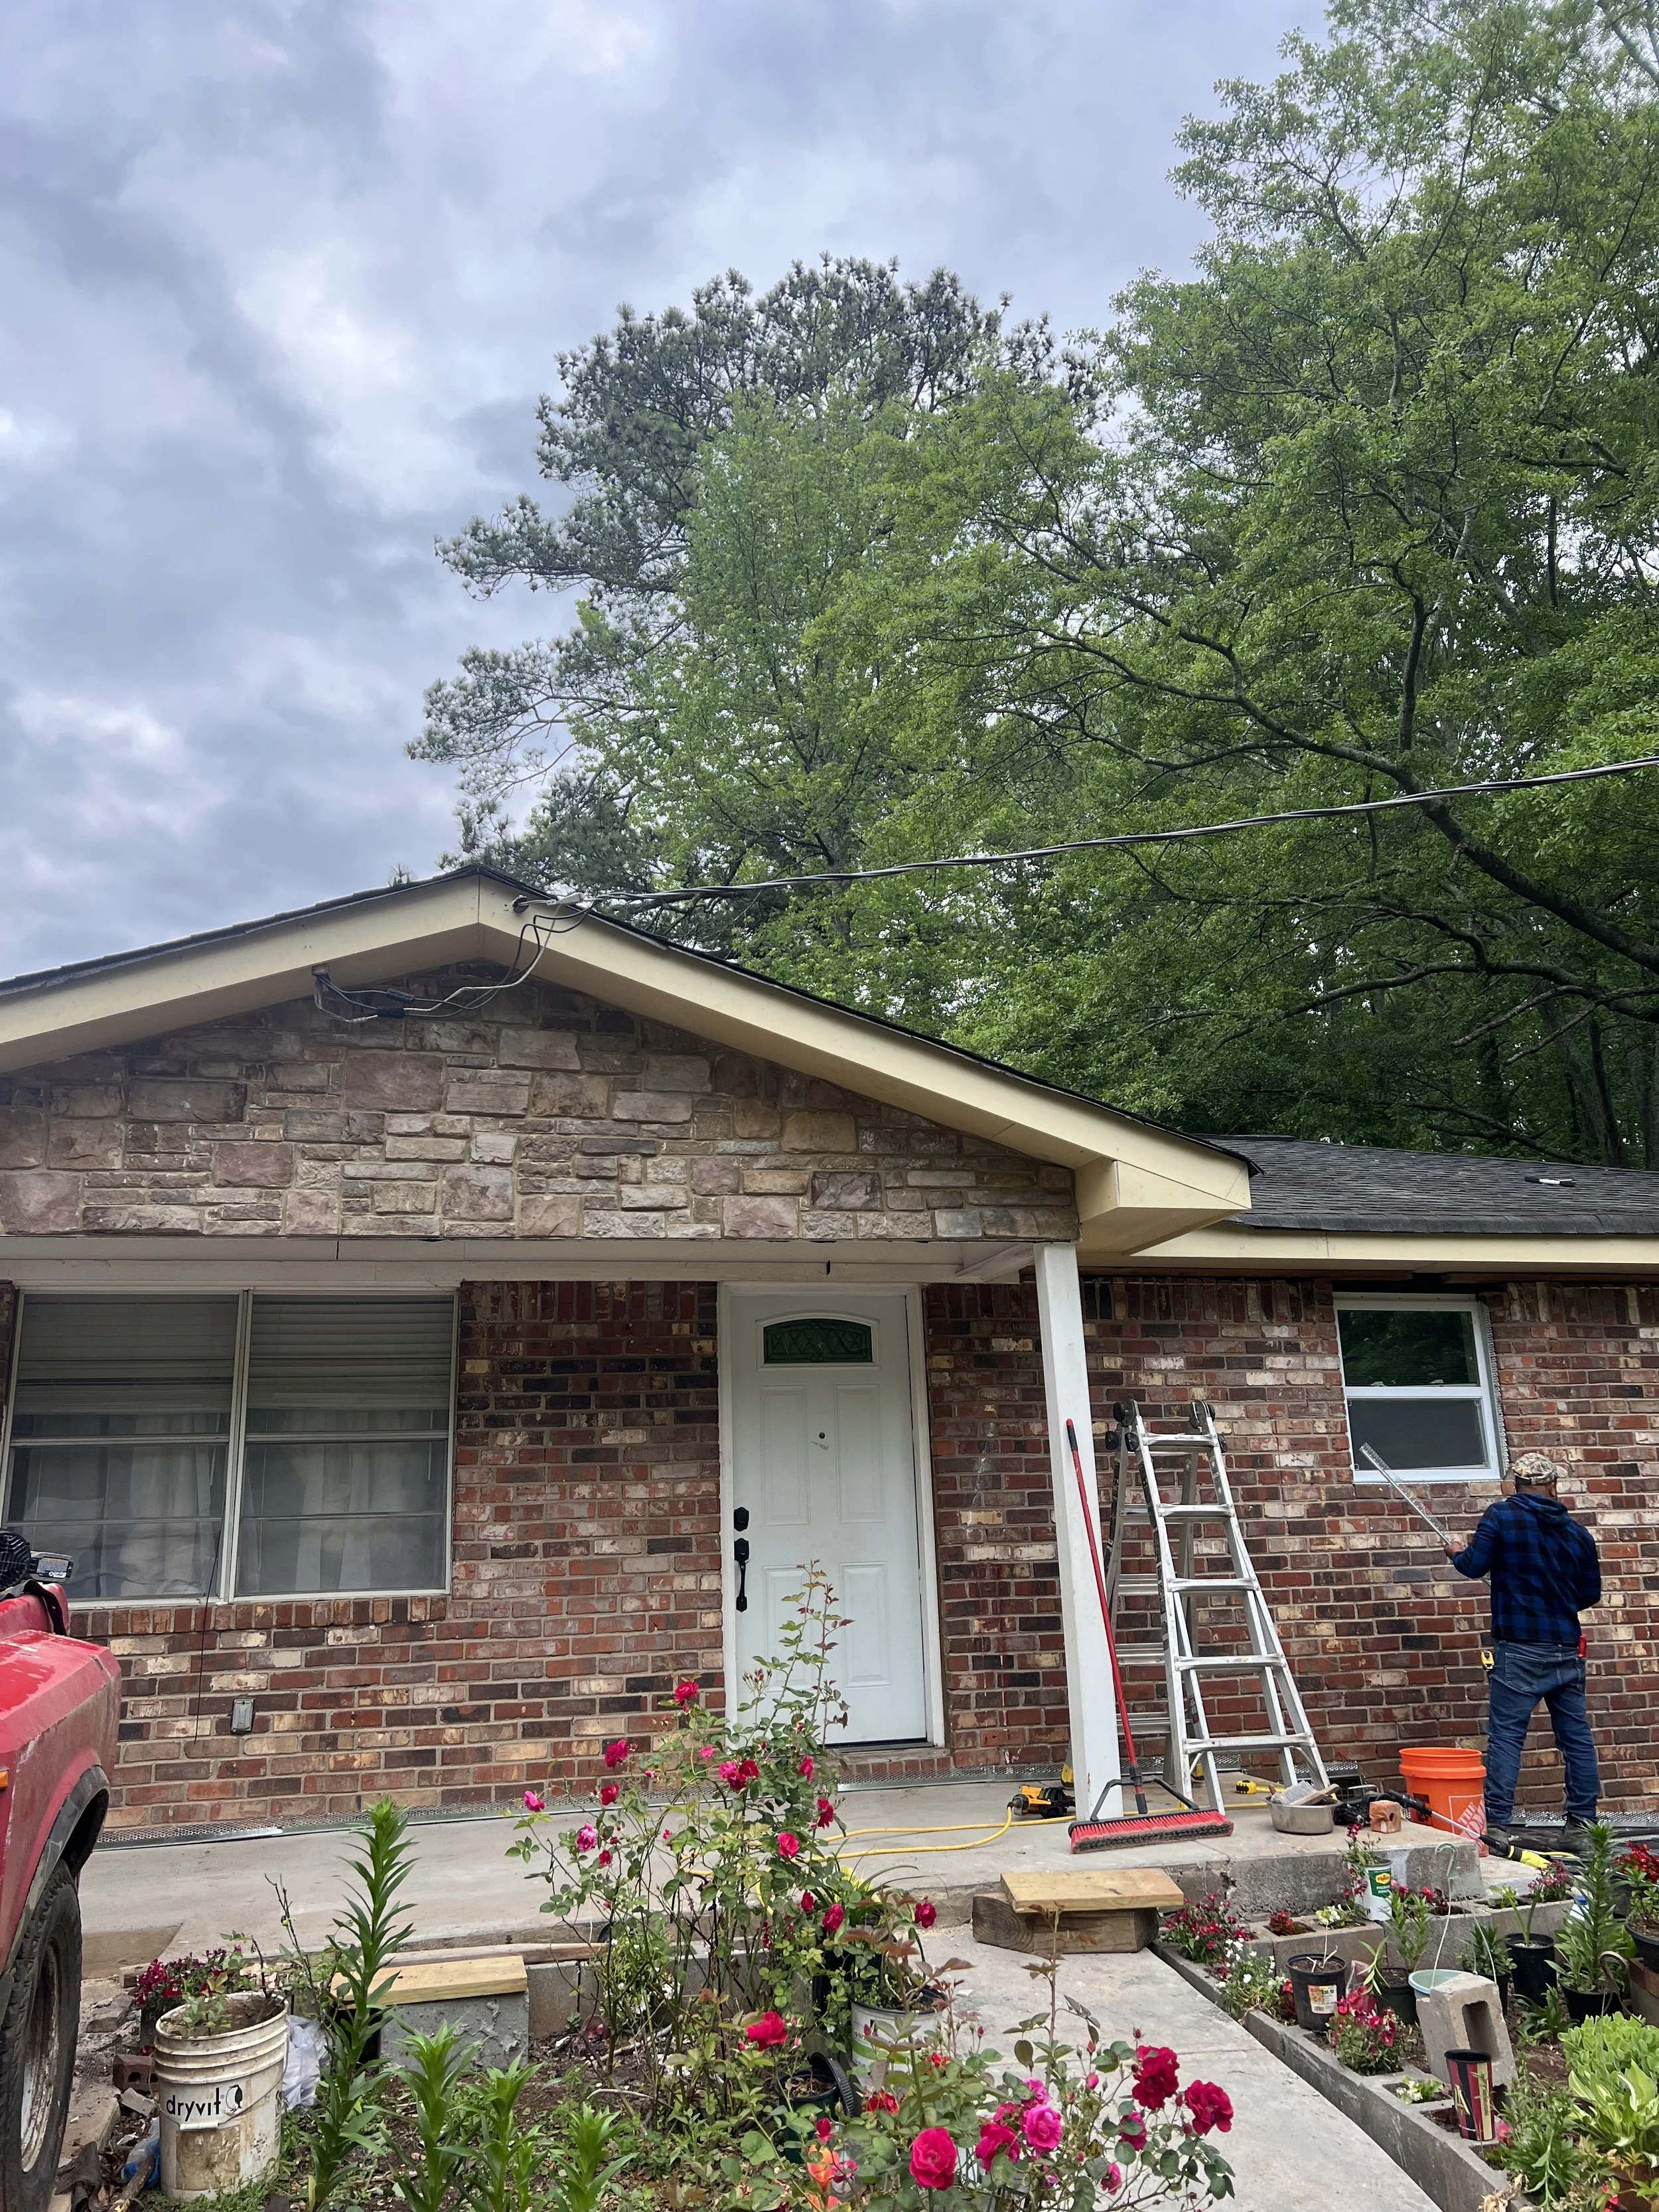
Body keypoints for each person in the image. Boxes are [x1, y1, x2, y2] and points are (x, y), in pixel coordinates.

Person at [1444, 1451, 1602, 1853]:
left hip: (1518, 1649)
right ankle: (1583, 1825)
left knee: (1507, 1738)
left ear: (1515, 1485)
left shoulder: (1501, 1516)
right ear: (1553, 1487)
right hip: (1566, 1648)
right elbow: (1590, 1595)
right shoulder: (1579, 1535)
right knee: (1576, 1739)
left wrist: (1456, 1552)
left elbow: (1473, 1566)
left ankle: (1497, 1824)